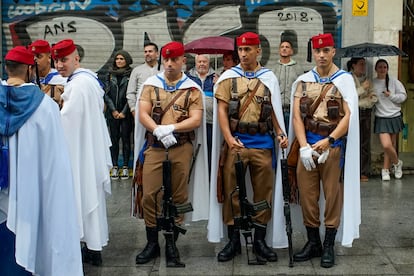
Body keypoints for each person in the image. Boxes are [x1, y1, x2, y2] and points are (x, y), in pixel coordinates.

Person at [0, 46, 82, 275]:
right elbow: (55, 161)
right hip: (31, 195)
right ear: (29, 69)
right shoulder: (45, 107)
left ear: (7, 69)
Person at [208, 32, 288, 263]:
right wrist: (228, 138)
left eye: (248, 50)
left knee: (263, 193)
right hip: (237, 143)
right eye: (240, 50)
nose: (243, 54)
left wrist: (281, 133)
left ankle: (260, 239)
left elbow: (273, 109)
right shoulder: (228, 77)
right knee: (233, 191)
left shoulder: (268, 77)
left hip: (263, 143)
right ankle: (233, 240)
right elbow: (222, 110)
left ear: (258, 50)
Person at [133, 41, 209, 266]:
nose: (168, 64)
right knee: (150, 195)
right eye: (165, 59)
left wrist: (172, 128)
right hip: (155, 147)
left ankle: (172, 245)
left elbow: (196, 118)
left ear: (182, 60)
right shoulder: (150, 84)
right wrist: (157, 129)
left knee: (178, 196)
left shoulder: (192, 88)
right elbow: (142, 112)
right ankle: (152, 243)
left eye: (173, 59)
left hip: (181, 147)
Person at [288, 33, 360, 268]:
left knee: (332, 197)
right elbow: (297, 117)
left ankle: (328, 244)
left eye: (326, 50)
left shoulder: (345, 80)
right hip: (308, 146)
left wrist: (330, 140)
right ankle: (313, 243)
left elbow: (349, 116)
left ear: (333, 52)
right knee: (308, 197)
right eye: (318, 51)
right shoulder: (303, 81)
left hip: (332, 146)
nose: (321, 55)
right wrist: (304, 147)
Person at [51, 38, 113, 266]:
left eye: (64, 60)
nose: (59, 65)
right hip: (88, 148)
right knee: (89, 196)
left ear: (76, 58)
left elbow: (66, 122)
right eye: (56, 60)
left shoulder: (77, 85)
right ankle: (92, 247)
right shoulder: (88, 80)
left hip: (77, 151)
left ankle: (83, 248)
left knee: (79, 195)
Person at [372, 59, 406, 181]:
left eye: (384, 67)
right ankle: (397, 163)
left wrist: (390, 95)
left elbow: (403, 97)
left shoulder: (394, 82)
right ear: (376, 69)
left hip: (394, 116)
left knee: (391, 145)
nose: (382, 69)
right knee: (386, 145)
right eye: (380, 67)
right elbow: (371, 99)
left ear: (387, 69)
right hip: (381, 117)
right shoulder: (372, 83)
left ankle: (385, 169)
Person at [104, 50, 134, 180]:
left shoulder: (132, 74)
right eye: (117, 59)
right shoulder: (110, 74)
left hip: (126, 114)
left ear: (127, 60)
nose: (119, 61)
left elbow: (132, 94)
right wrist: (113, 110)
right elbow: (106, 94)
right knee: (114, 140)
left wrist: (123, 111)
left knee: (126, 140)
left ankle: (126, 166)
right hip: (112, 113)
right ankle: (115, 166)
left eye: (122, 59)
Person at [347, 57, 378, 182]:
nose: (363, 67)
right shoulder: (349, 79)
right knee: (353, 142)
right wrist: (363, 90)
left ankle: (364, 171)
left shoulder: (367, 79)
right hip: (354, 114)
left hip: (366, 113)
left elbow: (374, 98)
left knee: (365, 143)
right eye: (361, 64)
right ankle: (351, 171)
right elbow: (349, 97)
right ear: (353, 66)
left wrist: (362, 100)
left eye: (364, 65)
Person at [186, 54, 217, 173]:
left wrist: (218, 84)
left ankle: (208, 176)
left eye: (204, 61)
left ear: (209, 63)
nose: (202, 64)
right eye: (199, 62)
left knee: (209, 151)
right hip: (192, 123)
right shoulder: (188, 77)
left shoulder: (215, 77)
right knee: (193, 150)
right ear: (195, 63)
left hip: (210, 122)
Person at [273, 39, 303, 130]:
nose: (284, 49)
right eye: (282, 47)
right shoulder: (274, 69)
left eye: (287, 47)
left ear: (291, 51)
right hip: (277, 110)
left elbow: (302, 89)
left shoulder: (298, 68)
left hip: (293, 110)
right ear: (279, 50)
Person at [126, 42, 162, 118]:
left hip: (162, 110)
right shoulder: (137, 70)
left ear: (157, 54)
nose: (147, 54)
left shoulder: (164, 69)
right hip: (142, 109)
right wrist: (133, 109)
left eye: (150, 51)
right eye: (145, 52)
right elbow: (130, 92)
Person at [29, 39, 67, 108]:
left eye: (39, 56)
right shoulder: (27, 78)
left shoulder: (61, 80)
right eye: (32, 56)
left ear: (49, 57)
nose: (34, 60)